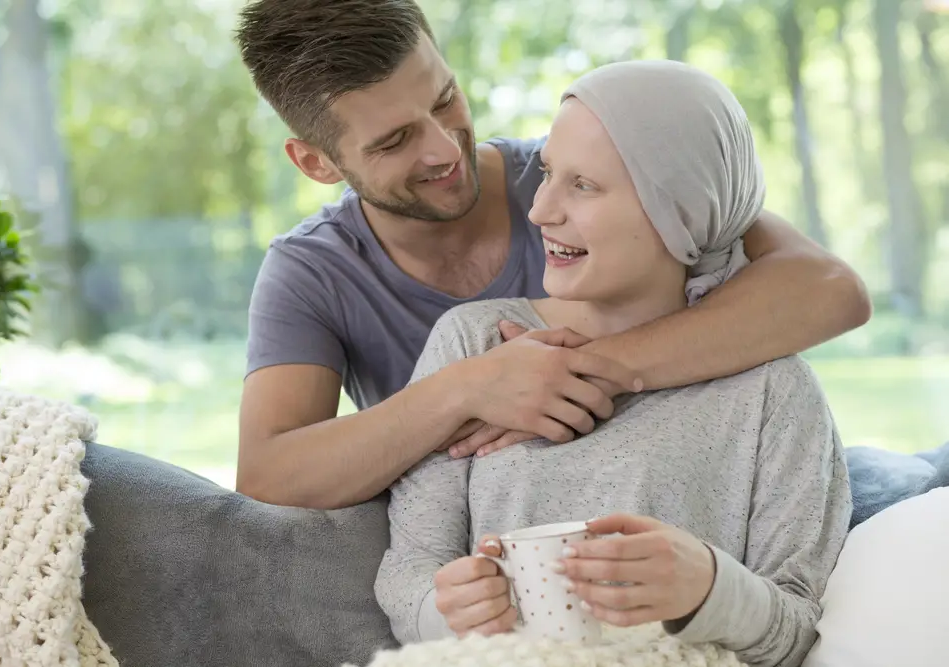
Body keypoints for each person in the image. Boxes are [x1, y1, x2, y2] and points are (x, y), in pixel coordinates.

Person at [233, 0, 870, 510]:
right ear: (316, 162)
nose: (444, 148)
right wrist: (467, 388)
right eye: (396, 139)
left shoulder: (584, 170)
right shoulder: (312, 271)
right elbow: (267, 475)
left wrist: (588, 369)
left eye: (443, 99)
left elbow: (829, 289)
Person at [373, 60, 851, 667]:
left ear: (680, 208)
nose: (541, 210)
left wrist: (709, 585)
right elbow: (409, 569)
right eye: (547, 174)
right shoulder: (476, 342)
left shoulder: (773, 391)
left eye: (585, 185)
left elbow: (794, 629)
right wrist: (447, 612)